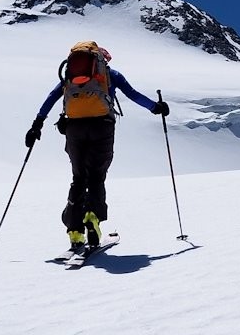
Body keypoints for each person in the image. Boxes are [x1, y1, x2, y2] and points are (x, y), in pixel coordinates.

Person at [24, 42, 169, 253]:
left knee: (78, 178)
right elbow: (133, 94)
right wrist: (156, 107)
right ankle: (92, 217)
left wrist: (37, 124)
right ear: (102, 61)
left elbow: (51, 98)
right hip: (102, 127)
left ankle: (75, 231)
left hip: (74, 129)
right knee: (96, 177)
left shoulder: (69, 77)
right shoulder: (110, 75)